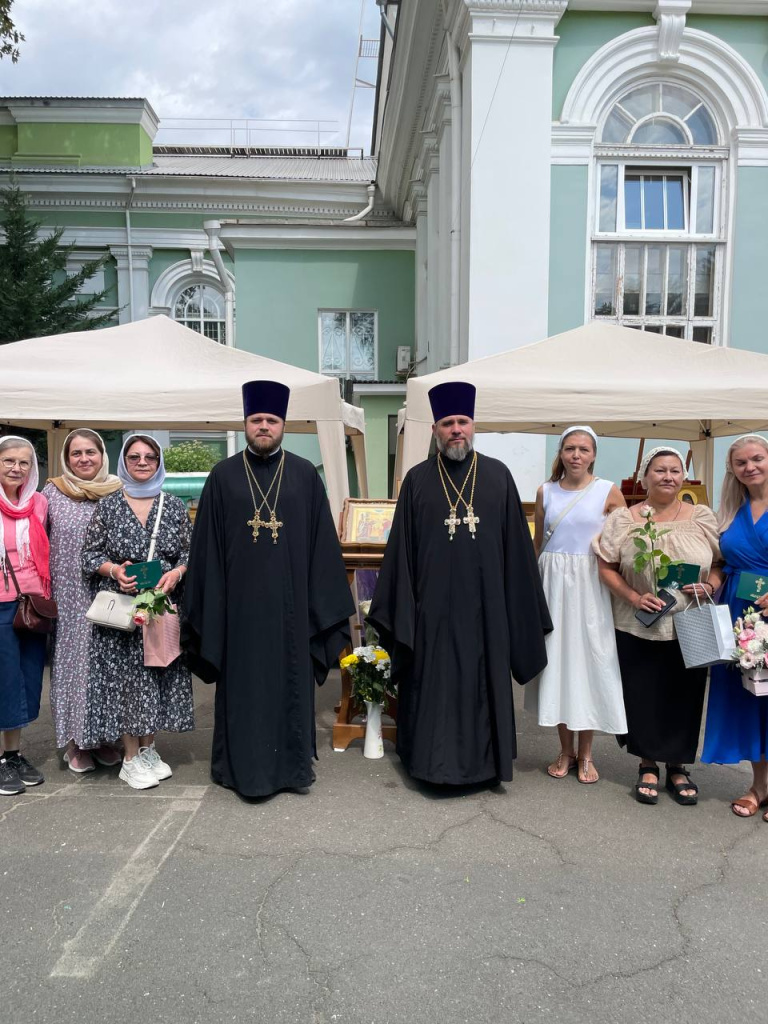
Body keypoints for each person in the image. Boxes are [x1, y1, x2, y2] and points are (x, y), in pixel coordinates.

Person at [368, 381, 552, 786]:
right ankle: (430, 765)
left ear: (473, 426)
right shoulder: (416, 481)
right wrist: (404, 612)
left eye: (462, 422)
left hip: (487, 611)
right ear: (436, 429)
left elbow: (517, 553)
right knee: (432, 686)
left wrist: (519, 611)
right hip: (430, 613)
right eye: (448, 423)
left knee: (481, 686)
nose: (456, 430)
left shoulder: (498, 476)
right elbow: (401, 554)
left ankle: (485, 767)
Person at [182, 380, 354, 798]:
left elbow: (322, 547)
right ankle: (237, 768)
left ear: (283, 425)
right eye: (256, 419)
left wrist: (320, 609)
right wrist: (211, 611)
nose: (264, 426)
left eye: (272, 420)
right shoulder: (223, 476)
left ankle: (291, 771)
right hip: (237, 612)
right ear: (246, 423)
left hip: (292, 612)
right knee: (243, 690)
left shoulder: (304, 475)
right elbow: (206, 550)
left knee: (288, 686)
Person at [595, 446, 721, 806]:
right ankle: (647, 763)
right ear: (645, 477)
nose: (668, 477)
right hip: (638, 622)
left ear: (684, 477)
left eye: (674, 470)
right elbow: (606, 567)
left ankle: (677, 766)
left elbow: (719, 563)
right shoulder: (625, 519)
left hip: (690, 621)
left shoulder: (701, 516)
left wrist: (710, 585)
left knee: (685, 694)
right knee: (643, 693)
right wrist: (634, 597)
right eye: (660, 470)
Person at [81, 434, 194, 790]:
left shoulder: (172, 506)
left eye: (149, 457)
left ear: (158, 463)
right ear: (124, 462)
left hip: (160, 608)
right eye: (134, 457)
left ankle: (148, 750)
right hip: (123, 613)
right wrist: (115, 571)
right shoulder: (109, 506)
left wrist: (177, 574)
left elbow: (190, 553)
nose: (142, 462)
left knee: (156, 677)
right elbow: (89, 555)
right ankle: (129, 759)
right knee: (128, 683)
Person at [528, 426, 627, 784]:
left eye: (583, 449)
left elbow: (625, 541)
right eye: (570, 448)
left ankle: (586, 752)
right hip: (552, 582)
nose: (576, 455)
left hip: (589, 583)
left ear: (593, 454)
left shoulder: (608, 490)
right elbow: (538, 543)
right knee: (556, 662)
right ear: (561, 452)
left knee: (589, 662)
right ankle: (565, 750)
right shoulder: (546, 491)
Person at [43, 429, 123, 773]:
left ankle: (103, 738)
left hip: (110, 593)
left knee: (106, 669)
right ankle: (75, 742)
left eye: (91, 451)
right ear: (66, 458)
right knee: (72, 669)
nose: (84, 459)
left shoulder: (119, 491)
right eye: (76, 453)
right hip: (68, 597)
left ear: (102, 455)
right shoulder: (52, 492)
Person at [701, 434, 768, 820]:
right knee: (750, 698)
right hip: (739, 614)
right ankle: (759, 785)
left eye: (757, 458)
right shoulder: (729, 510)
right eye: (741, 462)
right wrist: (710, 585)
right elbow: (722, 564)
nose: (750, 467)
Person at [0, 435, 49, 795]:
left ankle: (12, 755)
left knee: (26, 681)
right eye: (8, 461)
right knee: (3, 681)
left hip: (32, 604)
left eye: (24, 462)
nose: (16, 468)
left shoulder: (39, 503)